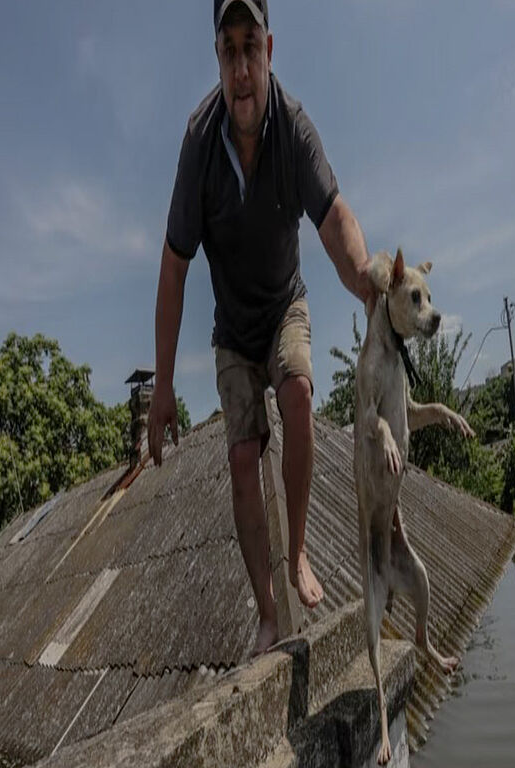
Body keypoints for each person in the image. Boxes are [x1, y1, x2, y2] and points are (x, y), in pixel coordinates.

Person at [147, 0, 373, 655]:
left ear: (269, 49)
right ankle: (267, 611)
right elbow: (173, 264)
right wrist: (162, 387)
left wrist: (365, 281)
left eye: (252, 48)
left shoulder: (294, 129)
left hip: (284, 306)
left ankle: (298, 550)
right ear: (217, 58)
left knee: (298, 391)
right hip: (231, 329)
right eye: (228, 51)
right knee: (243, 456)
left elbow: (334, 218)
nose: (241, 68)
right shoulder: (199, 141)